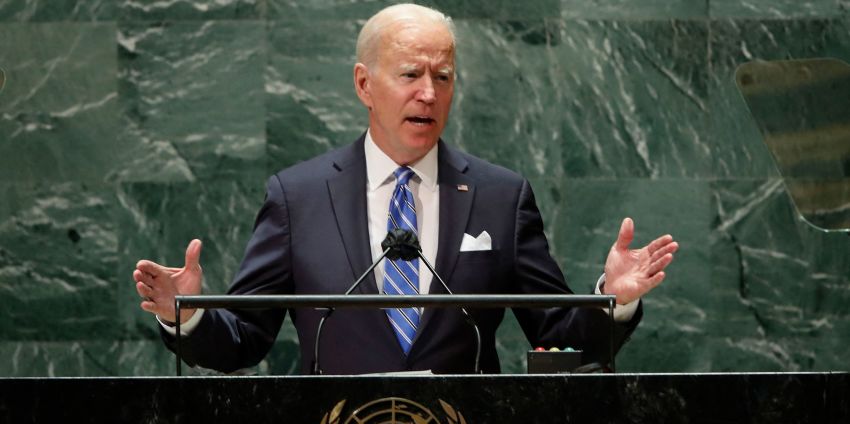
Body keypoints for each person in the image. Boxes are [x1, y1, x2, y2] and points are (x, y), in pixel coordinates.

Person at [132, 4, 678, 374]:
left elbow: (558, 331)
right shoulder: (298, 197)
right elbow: (245, 338)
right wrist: (188, 313)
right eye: (410, 74)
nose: (428, 93)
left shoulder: (499, 196)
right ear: (365, 84)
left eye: (443, 78)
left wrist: (611, 299)